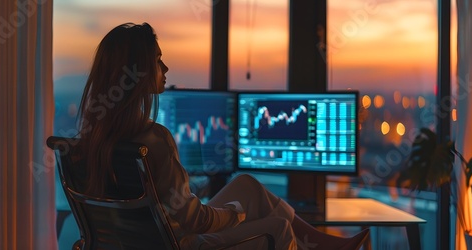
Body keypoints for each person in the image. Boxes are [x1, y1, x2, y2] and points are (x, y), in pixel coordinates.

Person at [77, 22, 363, 250]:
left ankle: (326, 244)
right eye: (158, 60)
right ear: (137, 73)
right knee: (278, 227)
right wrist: (234, 213)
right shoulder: (155, 138)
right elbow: (193, 220)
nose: (165, 69)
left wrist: (195, 196)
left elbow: (159, 207)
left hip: (151, 239)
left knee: (248, 185)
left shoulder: (92, 139)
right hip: (182, 242)